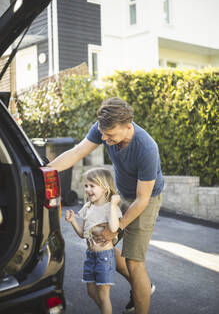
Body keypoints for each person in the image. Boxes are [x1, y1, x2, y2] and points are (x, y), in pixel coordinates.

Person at [48, 97, 164, 314]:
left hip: (145, 200)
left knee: (134, 262)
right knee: (102, 241)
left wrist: (116, 227)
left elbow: (142, 199)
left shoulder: (147, 148)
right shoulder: (103, 129)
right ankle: (143, 287)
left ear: (128, 127)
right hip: (120, 195)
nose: (103, 138)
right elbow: (76, 153)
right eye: (102, 133)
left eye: (109, 135)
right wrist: (45, 171)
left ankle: (141, 292)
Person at [65, 167, 122, 314]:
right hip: (90, 256)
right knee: (91, 291)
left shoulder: (110, 207)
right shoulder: (87, 207)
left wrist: (114, 206)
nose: (88, 189)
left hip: (105, 257)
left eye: (92, 186)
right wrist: (73, 221)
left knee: (103, 295)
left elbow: (115, 228)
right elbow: (83, 234)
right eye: (86, 186)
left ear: (104, 188)